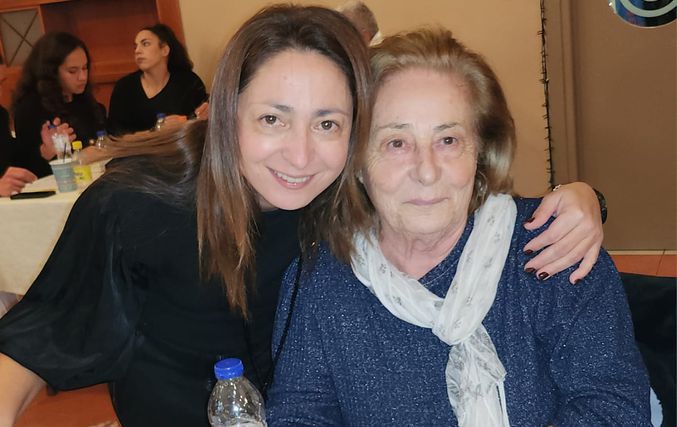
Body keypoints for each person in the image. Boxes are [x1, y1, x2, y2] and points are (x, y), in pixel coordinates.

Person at [0, 5, 602, 427]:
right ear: (227, 111)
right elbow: (32, 347)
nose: (300, 155)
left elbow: (462, 205)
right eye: (272, 119)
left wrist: (582, 199)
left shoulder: (342, 197)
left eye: (328, 124)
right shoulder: (138, 203)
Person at [266, 28, 650, 426]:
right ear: (357, 163)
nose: (427, 171)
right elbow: (299, 412)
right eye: (396, 143)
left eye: (448, 140)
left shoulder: (553, 247)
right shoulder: (322, 279)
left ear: (481, 151)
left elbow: (615, 409)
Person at [11, 32, 105, 178]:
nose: (82, 77)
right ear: (52, 72)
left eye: (85, 68)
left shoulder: (83, 100)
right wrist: (46, 153)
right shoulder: (30, 108)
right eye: (72, 71)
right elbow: (27, 165)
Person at [107, 23, 208, 136]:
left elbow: (202, 123)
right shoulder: (124, 87)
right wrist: (155, 132)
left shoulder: (189, 82)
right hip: (137, 147)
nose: (137, 51)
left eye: (145, 44)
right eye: (135, 47)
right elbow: (115, 134)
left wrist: (185, 123)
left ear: (164, 50)